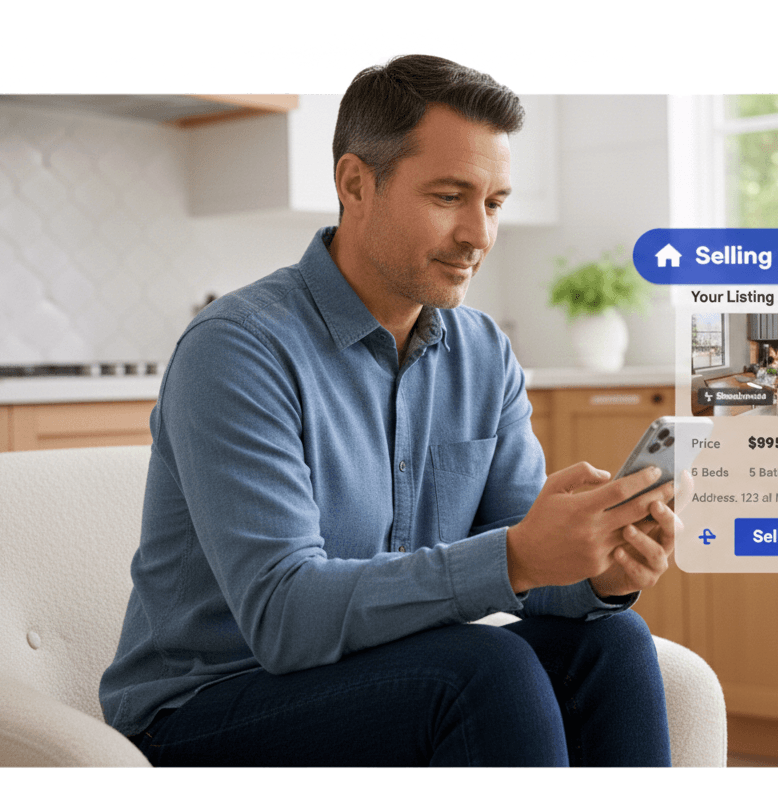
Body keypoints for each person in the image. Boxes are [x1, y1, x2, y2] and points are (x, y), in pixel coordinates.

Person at [99, 54, 685, 767]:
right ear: (355, 184)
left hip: (389, 672)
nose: (478, 235)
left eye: (494, 203)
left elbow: (520, 552)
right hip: (207, 704)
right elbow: (283, 618)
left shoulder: (483, 353)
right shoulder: (239, 348)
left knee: (610, 640)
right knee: (484, 670)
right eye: (449, 196)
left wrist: (596, 573)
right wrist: (516, 555)